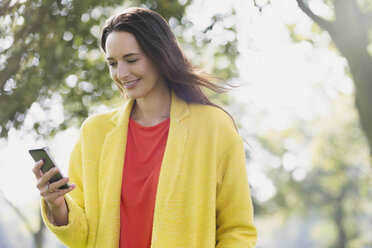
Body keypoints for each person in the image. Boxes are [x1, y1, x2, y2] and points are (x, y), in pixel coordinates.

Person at [32, 7, 257, 248]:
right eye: (112, 63)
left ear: (160, 55)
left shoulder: (213, 127)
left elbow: (237, 230)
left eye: (131, 60)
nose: (121, 73)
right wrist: (57, 205)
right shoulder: (94, 133)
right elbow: (82, 237)